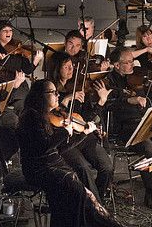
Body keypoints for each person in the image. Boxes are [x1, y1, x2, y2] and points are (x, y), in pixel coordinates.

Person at [15, 78, 125, 227]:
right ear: (41, 95)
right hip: (39, 169)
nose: (58, 95)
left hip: (53, 164)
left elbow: (61, 148)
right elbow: (44, 147)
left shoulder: (44, 115)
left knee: (87, 195)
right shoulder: (31, 117)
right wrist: (65, 132)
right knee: (79, 193)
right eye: (53, 92)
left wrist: (83, 133)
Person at [104, 47, 152, 209]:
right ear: (117, 65)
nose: (133, 64)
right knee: (149, 149)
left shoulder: (138, 78)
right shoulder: (108, 81)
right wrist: (129, 99)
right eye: (128, 62)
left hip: (146, 121)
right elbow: (110, 103)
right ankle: (150, 193)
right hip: (126, 127)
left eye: (132, 61)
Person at [46, 51, 113, 202]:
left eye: (72, 66)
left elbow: (87, 117)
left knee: (107, 168)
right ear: (57, 69)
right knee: (83, 169)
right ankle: (96, 208)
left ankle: (94, 201)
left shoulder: (77, 87)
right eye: (66, 67)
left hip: (83, 135)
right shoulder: (49, 90)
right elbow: (49, 116)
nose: (71, 70)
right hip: (65, 141)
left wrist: (101, 102)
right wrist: (66, 99)